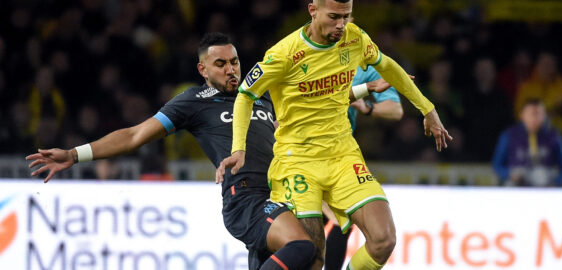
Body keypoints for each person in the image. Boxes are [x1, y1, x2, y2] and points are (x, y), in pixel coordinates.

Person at [26, 33, 317, 270]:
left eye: (235, 61)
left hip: (285, 192)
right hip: (247, 199)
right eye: (220, 64)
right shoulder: (193, 101)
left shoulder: (258, 96)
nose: (231, 69)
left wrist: (355, 96)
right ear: (203, 69)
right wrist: (75, 154)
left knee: (313, 261)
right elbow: (134, 135)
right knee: (304, 247)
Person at [216, 1, 452, 269]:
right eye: (334, 17)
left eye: (345, 16)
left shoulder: (355, 38)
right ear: (312, 10)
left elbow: (386, 65)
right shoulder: (284, 53)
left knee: (383, 240)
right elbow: (245, 95)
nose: (341, 24)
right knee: (312, 258)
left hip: (342, 156)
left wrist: (427, 109)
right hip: (298, 163)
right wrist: (239, 148)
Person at [323, 65, 403, 270]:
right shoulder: (301, 54)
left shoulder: (364, 67)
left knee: (341, 223)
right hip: (299, 153)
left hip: (340, 155)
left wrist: (367, 107)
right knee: (304, 232)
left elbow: (396, 110)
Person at [493, 99, 562, 187]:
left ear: (544, 116)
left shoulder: (554, 136)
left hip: (546, 182)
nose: (534, 118)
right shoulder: (509, 135)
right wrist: (509, 174)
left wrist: (556, 181)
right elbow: (497, 165)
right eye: (531, 114)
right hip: (517, 183)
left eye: (538, 114)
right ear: (522, 115)